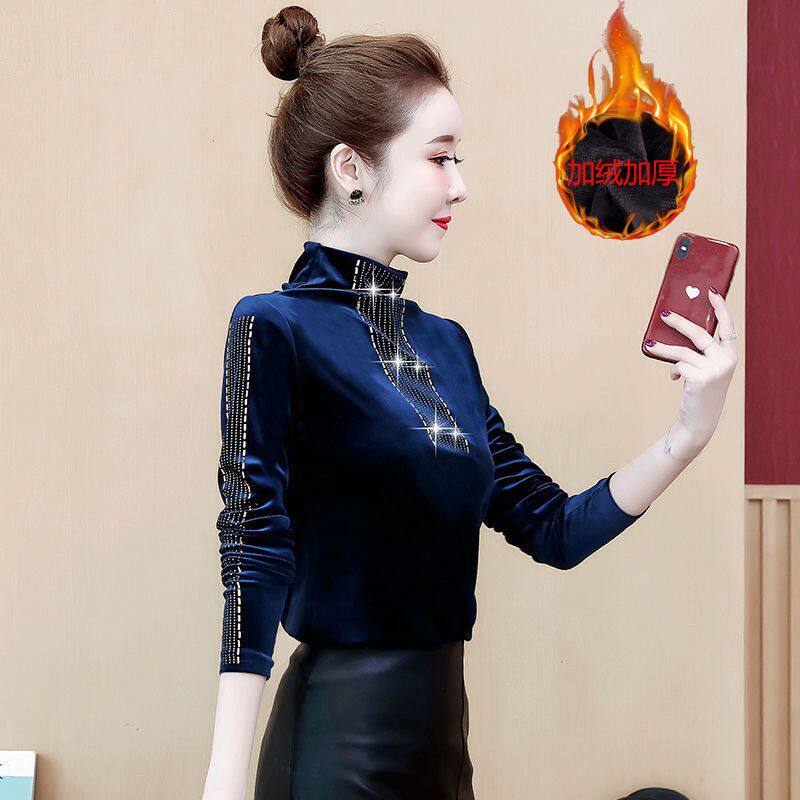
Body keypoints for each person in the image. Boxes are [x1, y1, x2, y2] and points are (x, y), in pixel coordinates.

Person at [202, 7, 739, 800]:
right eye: (439, 158)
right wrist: (224, 778)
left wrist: (689, 433)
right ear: (352, 168)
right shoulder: (273, 328)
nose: (460, 185)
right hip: (335, 751)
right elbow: (255, 546)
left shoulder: (445, 346)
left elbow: (553, 528)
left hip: (444, 751)